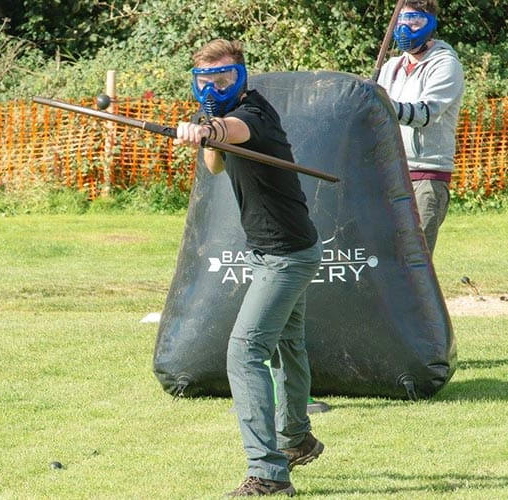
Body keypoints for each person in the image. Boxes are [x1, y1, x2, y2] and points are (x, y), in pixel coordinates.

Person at [175, 39, 324, 497]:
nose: (214, 87)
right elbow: (216, 165)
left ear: (240, 76)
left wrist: (209, 130)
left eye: (222, 78)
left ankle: (268, 473)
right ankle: (296, 439)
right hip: (274, 248)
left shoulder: (253, 114)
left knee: (244, 352)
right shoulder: (216, 115)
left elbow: (234, 133)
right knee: (287, 344)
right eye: (205, 80)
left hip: (287, 255)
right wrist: (204, 131)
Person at [378, 0, 464, 253]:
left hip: (426, 175)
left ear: (430, 24)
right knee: (386, 256)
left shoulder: (445, 65)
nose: (406, 27)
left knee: (415, 261)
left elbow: (425, 113)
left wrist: (379, 106)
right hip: (390, 171)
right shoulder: (391, 67)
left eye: (414, 20)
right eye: (402, 20)